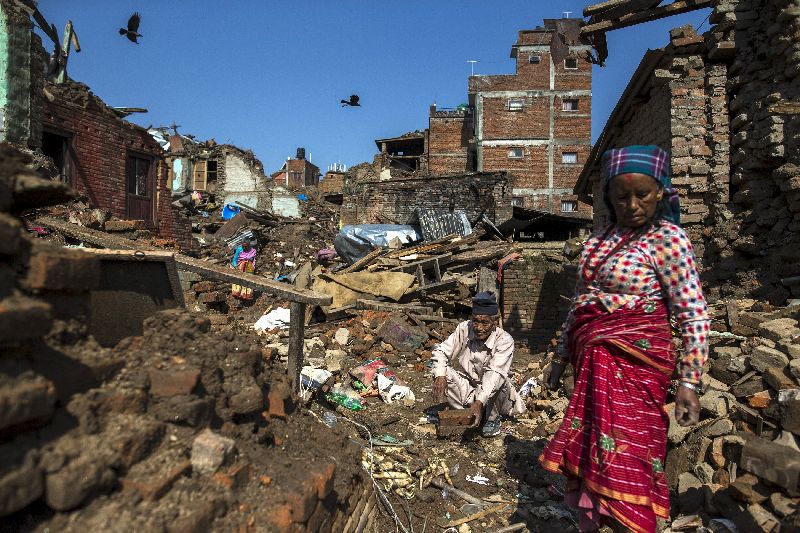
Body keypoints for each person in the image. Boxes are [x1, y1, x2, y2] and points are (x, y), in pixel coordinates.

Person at [540, 145, 709, 533]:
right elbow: (579, 305)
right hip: (593, 367)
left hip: (639, 369)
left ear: (660, 192)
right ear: (609, 198)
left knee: (629, 457)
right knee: (592, 455)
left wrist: (689, 382)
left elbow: (692, 312)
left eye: (642, 195)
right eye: (621, 196)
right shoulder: (599, 242)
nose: (632, 205)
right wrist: (559, 358)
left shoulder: (669, 240)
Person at [431, 291, 525, 437]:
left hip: (494, 396)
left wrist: (480, 401)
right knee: (440, 370)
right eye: (476, 321)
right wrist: (440, 375)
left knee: (500, 381)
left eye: (485, 322)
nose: (479, 327)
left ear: (494, 322)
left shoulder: (505, 340)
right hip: (471, 388)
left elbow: (494, 374)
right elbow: (441, 351)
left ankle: (492, 419)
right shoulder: (464, 328)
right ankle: (466, 413)